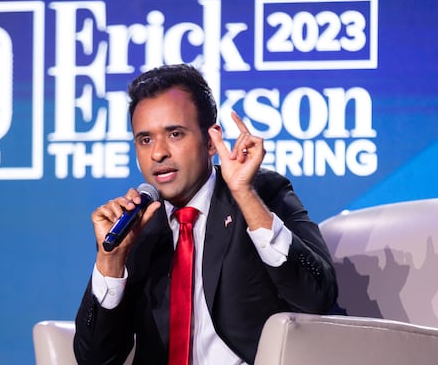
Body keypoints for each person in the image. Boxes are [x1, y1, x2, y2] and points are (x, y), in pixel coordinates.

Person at [74, 64, 337, 364]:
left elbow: (318, 297)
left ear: (211, 141)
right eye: (145, 139)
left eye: (174, 134)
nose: (158, 153)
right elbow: (94, 359)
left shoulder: (260, 193)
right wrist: (111, 261)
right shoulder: (139, 225)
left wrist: (245, 196)